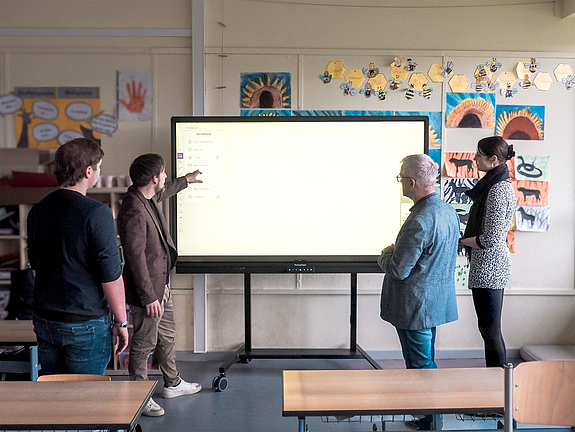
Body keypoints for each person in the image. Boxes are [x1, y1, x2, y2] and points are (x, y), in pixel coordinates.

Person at [27, 138, 129, 375]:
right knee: (86, 401)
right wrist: (122, 322)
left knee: (53, 394)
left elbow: (35, 268)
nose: (99, 172)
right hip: (85, 323)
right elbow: (111, 276)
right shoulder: (97, 213)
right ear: (88, 171)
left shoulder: (38, 210)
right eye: (99, 167)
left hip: (45, 319)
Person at [117, 153, 203, 417]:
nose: (165, 177)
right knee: (144, 343)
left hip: (161, 283)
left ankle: (173, 383)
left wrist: (186, 180)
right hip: (150, 292)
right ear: (154, 178)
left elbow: (164, 193)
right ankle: (139, 396)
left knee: (167, 336)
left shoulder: (145, 196)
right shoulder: (133, 208)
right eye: (163, 174)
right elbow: (134, 258)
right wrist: (148, 297)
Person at [460, 136, 516, 368]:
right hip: (487, 266)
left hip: (490, 267)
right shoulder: (497, 185)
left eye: (478, 154)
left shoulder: (497, 189)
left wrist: (462, 241)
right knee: (489, 330)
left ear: (493, 160)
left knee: (490, 330)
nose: (473, 159)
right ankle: (497, 383)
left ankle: (497, 384)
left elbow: (490, 239)